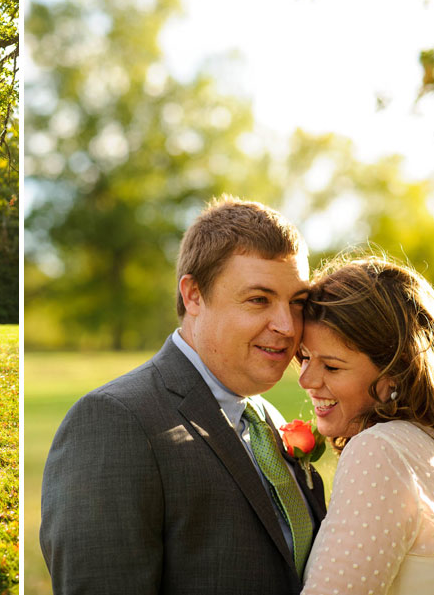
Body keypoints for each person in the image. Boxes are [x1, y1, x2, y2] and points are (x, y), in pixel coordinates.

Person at [39, 197, 327, 594]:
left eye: (296, 303)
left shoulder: (269, 420)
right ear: (193, 295)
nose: (286, 326)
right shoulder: (114, 420)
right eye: (259, 299)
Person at [298, 256, 434, 594]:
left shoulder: (381, 450)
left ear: (394, 373)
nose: (306, 379)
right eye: (303, 357)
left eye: (331, 366)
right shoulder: (422, 443)